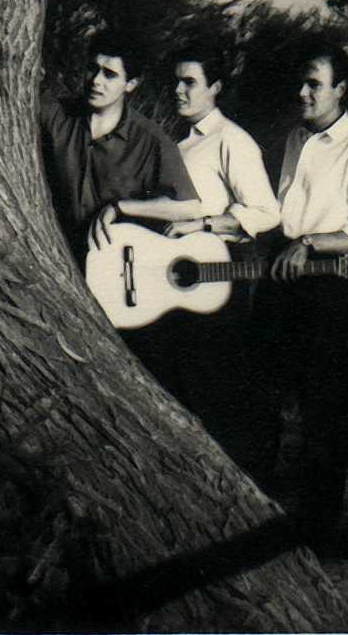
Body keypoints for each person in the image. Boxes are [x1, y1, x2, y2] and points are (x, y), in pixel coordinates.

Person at [258, 43, 348, 545]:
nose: (303, 92)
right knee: (269, 392)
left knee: (323, 409)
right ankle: (270, 508)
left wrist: (308, 244)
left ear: (340, 89)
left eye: (315, 83)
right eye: (301, 82)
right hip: (283, 275)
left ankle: (318, 525)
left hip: (329, 283)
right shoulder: (295, 137)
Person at [148, 45, 280, 470]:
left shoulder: (232, 142)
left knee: (215, 385)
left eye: (190, 82)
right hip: (180, 282)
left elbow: (265, 211)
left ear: (216, 88)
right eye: (176, 81)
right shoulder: (178, 141)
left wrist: (203, 225)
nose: (179, 90)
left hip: (221, 276)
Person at [37, 34, 199, 259]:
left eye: (110, 75)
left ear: (130, 84)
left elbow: (189, 207)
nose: (96, 80)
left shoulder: (151, 140)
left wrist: (120, 207)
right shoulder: (56, 114)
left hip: (114, 264)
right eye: (92, 68)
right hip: (52, 254)